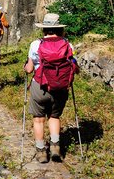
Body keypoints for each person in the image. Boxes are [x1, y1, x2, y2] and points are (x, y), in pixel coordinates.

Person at [24, 13, 76, 163]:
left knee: (38, 119)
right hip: (60, 88)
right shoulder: (68, 45)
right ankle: (55, 147)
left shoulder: (35, 45)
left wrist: (26, 66)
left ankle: (41, 152)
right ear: (60, 29)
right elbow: (75, 67)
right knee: (54, 117)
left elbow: (29, 69)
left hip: (40, 86)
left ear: (44, 29)